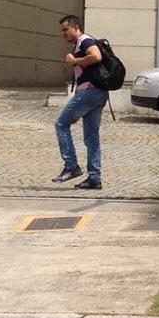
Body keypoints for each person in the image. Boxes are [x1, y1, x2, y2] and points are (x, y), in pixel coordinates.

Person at [54, 16, 108, 191]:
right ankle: (94, 178)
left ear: (76, 27)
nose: (63, 33)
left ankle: (71, 166)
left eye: (65, 29)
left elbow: (96, 56)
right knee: (92, 137)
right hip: (97, 93)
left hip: (89, 92)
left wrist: (75, 61)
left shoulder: (85, 40)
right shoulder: (79, 44)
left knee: (61, 124)